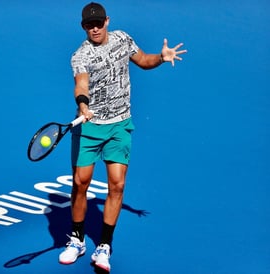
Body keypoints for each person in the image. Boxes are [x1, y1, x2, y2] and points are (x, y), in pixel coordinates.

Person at [58, 2, 187, 272]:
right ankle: (77, 240)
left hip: (119, 126)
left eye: (98, 23)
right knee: (80, 184)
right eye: (88, 25)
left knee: (116, 186)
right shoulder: (80, 56)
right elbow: (81, 84)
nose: (94, 28)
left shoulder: (123, 38)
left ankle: (104, 246)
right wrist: (83, 104)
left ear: (107, 21)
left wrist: (161, 58)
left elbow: (142, 60)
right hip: (90, 128)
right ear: (82, 27)